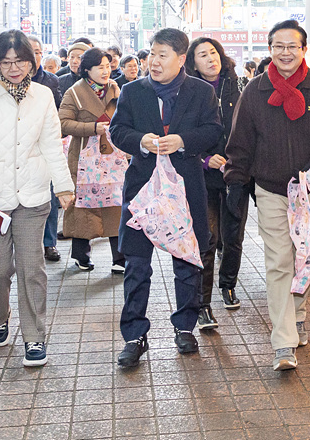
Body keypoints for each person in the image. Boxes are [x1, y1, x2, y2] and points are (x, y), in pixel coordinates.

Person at [224, 20, 310, 371]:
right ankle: (283, 342)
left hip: (309, 191)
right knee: (279, 260)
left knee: (306, 256)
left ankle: (298, 312)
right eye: (278, 46)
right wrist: (236, 183)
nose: (285, 53)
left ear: (303, 50)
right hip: (270, 190)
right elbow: (240, 143)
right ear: (270, 50)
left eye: (292, 46)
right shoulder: (254, 91)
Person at [109, 28, 221, 368]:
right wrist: (141, 140)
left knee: (187, 260)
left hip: (185, 188)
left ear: (181, 58)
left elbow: (215, 131)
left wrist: (183, 140)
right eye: (152, 54)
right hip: (144, 190)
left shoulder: (201, 92)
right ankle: (134, 335)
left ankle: (185, 327)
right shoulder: (132, 91)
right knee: (137, 264)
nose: (153, 62)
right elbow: (117, 130)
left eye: (162, 55)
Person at [0, 30, 75, 368]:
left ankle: (34, 337)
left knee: (32, 269)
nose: (15, 69)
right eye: (7, 62)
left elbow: (50, 143)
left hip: (33, 193)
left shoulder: (42, 94)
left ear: (32, 60)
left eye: (21, 61)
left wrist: (64, 185)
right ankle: (0, 316)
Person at [185, 37, 246, 330]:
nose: (211, 59)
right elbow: (183, 136)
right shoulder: (189, 91)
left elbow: (251, 128)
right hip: (204, 176)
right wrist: (205, 159)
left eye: (213, 53)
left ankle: (228, 284)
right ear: (192, 62)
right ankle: (203, 304)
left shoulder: (239, 85)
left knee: (233, 234)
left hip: (236, 174)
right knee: (208, 239)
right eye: (202, 55)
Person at [59, 48, 125, 273]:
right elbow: (63, 123)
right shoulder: (74, 93)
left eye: (108, 66)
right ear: (87, 69)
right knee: (84, 207)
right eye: (100, 67)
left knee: (115, 204)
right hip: (84, 157)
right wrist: (92, 128)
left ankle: (119, 258)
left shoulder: (115, 89)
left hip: (112, 157)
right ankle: (81, 255)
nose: (106, 71)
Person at [27, 35, 62, 262]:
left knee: (49, 196)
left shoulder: (50, 80)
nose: (34, 56)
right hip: (18, 149)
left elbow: (58, 114)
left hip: (45, 146)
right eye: (29, 51)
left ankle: (49, 243)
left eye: (38, 51)